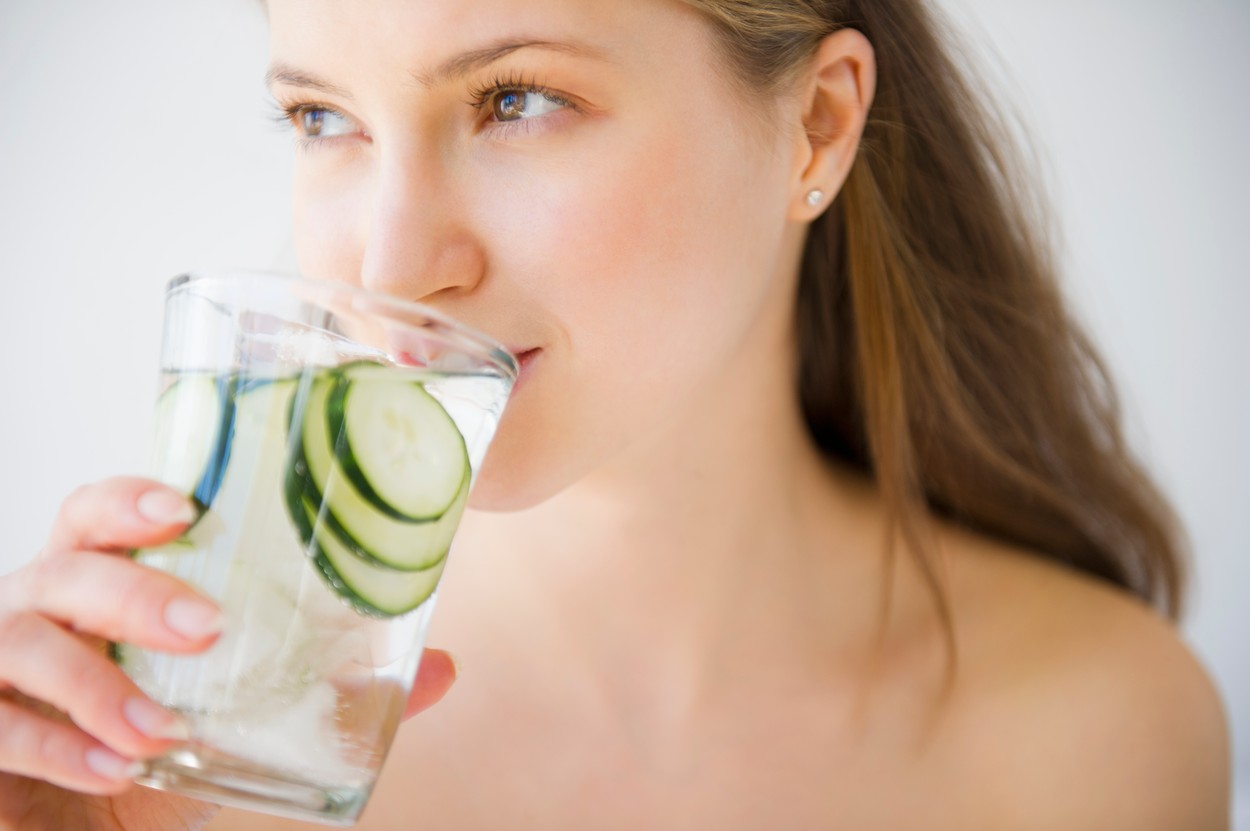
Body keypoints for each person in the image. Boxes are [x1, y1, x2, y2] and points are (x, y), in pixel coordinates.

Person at [0, 0, 1232, 828]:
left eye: (517, 100)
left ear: (816, 124)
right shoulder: (208, 754)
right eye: (323, 118)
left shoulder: (1098, 742)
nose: (390, 267)